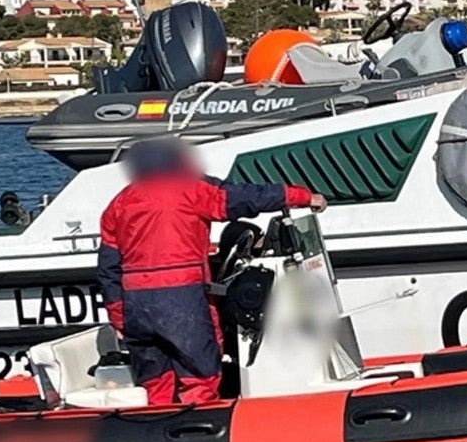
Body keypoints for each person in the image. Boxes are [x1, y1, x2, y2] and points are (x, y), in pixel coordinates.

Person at [96, 137, 327, 406]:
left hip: (137, 308)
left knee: (156, 381)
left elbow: (108, 268)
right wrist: (301, 196)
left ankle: (158, 426)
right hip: (181, 300)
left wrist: (118, 317)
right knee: (200, 375)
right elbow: (244, 198)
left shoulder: (119, 204)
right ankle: (199, 427)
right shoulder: (191, 189)